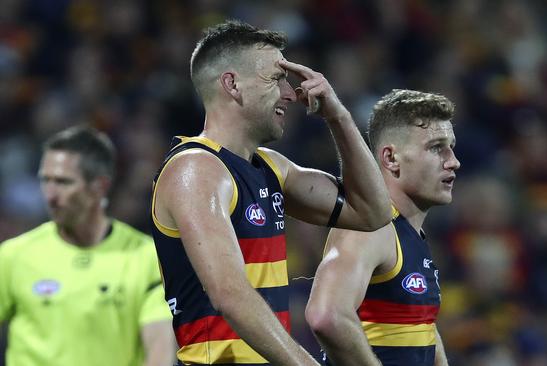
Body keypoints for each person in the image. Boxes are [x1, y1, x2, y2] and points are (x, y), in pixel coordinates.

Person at [150, 20, 392, 365]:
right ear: (232, 85)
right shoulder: (196, 169)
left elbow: (373, 212)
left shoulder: (271, 168)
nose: (290, 93)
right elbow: (229, 294)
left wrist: (338, 116)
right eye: (275, 78)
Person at [306, 89, 461, 366]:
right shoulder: (369, 229)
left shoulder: (409, 232)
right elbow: (327, 315)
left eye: (451, 147)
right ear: (390, 158)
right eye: (437, 147)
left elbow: (421, 326)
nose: (453, 161)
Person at [0, 125, 176, 366]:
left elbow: (159, 351)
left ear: (99, 187)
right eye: (45, 180)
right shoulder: (14, 255)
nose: (50, 195)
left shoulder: (144, 258)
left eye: (63, 182)